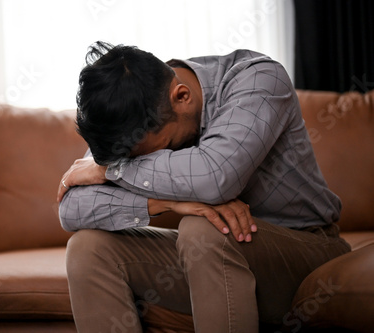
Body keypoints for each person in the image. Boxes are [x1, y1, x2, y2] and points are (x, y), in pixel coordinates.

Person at [57, 41, 350, 333]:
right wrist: (165, 204)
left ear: (182, 96)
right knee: (88, 248)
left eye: (162, 152)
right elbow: (71, 209)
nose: (143, 166)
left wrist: (112, 170)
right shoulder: (129, 110)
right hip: (213, 264)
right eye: (134, 161)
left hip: (307, 253)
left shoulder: (258, 78)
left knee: (204, 229)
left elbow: (215, 177)